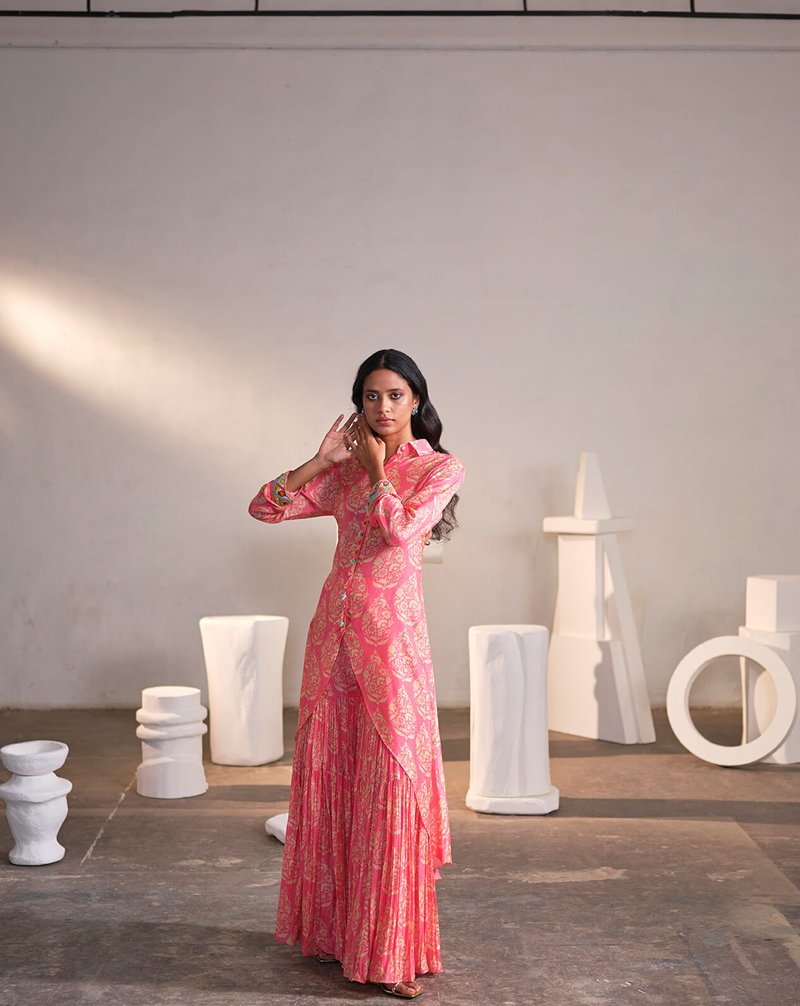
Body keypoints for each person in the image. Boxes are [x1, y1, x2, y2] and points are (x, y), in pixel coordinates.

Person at [248, 349, 464, 1000]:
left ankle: (391, 953)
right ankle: (334, 936)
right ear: (358, 404)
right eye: (371, 396)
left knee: (390, 783)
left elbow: (401, 531)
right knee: (334, 775)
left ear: (416, 401)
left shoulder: (438, 468)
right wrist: (322, 462)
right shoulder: (342, 471)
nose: (383, 407)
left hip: (392, 647)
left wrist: (375, 472)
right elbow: (264, 507)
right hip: (333, 641)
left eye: (395, 395)